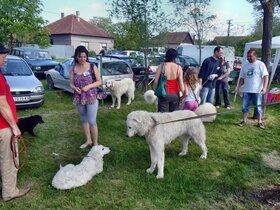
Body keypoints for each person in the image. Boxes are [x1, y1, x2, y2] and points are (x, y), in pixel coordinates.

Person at [0, 43, 30, 201]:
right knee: (9, 160)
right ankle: (9, 192)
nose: (5, 60)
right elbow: (2, 104)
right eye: (3, 57)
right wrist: (14, 127)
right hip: (3, 127)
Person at [70, 46, 102, 148]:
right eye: (80, 57)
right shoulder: (73, 68)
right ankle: (88, 140)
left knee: (92, 120)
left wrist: (88, 86)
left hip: (91, 96)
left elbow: (99, 81)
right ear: (76, 57)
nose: (82, 59)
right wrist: (75, 88)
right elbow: (70, 83)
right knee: (83, 119)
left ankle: (96, 144)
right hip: (79, 97)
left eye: (84, 56)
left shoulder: (92, 66)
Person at [237, 49, 269, 129]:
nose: (248, 58)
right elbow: (242, 78)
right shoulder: (245, 65)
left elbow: (265, 76)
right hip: (246, 90)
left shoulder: (260, 64)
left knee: (258, 107)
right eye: (248, 56)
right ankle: (244, 121)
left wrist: (264, 88)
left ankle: (260, 122)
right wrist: (238, 87)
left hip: (257, 90)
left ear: (255, 56)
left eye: (250, 56)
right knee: (245, 106)